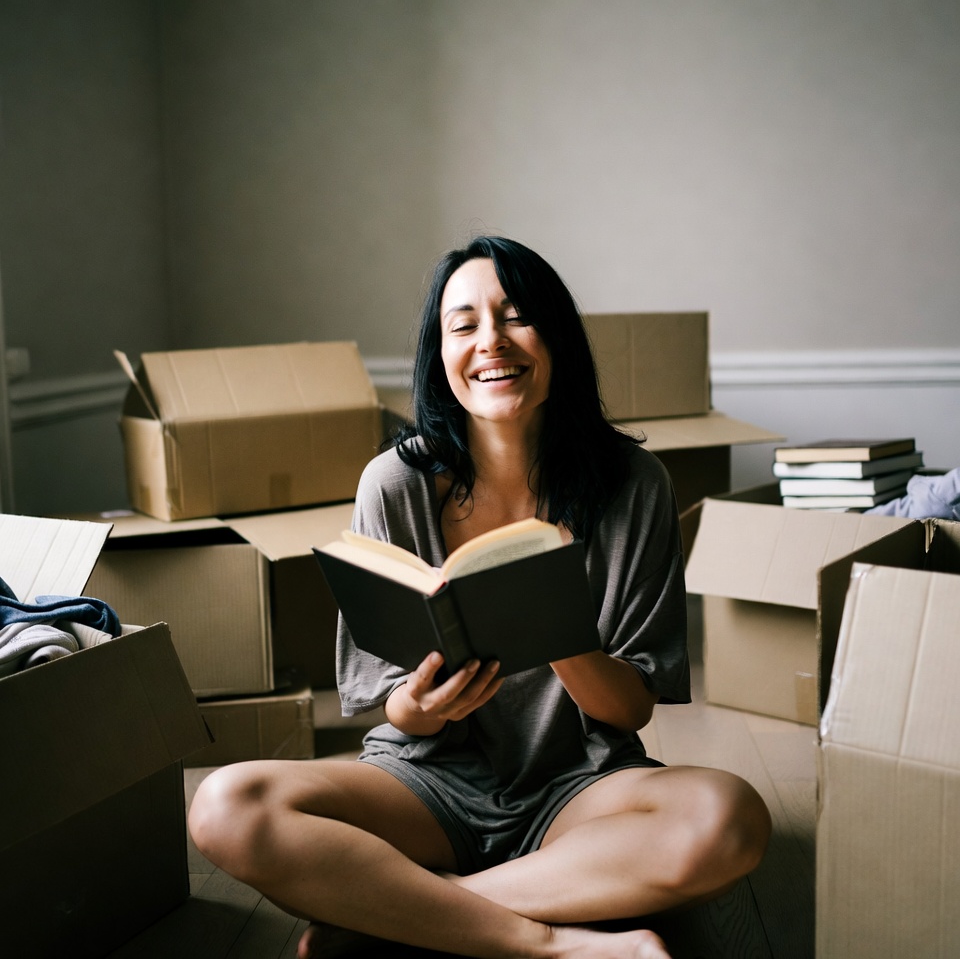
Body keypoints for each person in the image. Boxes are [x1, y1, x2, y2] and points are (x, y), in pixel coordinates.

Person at [189, 236, 772, 959]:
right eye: (463, 325)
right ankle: (551, 944)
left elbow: (630, 710)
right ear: (441, 355)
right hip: (422, 784)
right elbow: (388, 705)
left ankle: (391, 915)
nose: (491, 341)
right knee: (225, 805)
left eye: (517, 316)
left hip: (581, 786)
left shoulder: (635, 484)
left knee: (731, 817)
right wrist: (422, 704)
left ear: (557, 337)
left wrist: (555, 631)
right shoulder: (392, 484)